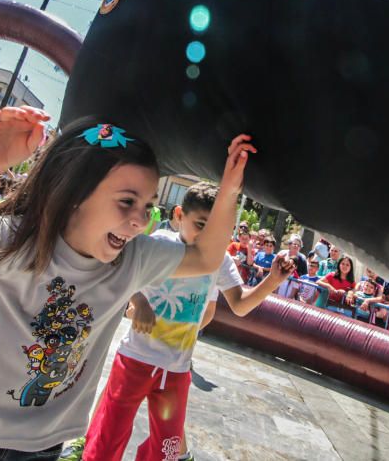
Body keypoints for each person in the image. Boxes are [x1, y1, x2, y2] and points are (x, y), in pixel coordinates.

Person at [0, 108, 255, 459]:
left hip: (41, 449)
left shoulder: (134, 259)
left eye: (147, 207)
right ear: (77, 194)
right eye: (127, 201)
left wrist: (229, 189)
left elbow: (207, 258)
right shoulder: (20, 238)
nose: (139, 221)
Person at [77, 183, 294, 461]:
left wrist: (272, 281)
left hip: (176, 372)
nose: (207, 236)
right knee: (107, 440)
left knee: (167, 450)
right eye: (201, 224)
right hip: (135, 361)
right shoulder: (159, 244)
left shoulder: (221, 261)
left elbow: (240, 304)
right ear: (179, 215)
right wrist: (139, 301)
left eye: (216, 228)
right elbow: (119, 266)